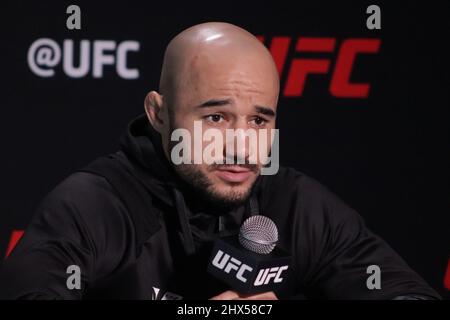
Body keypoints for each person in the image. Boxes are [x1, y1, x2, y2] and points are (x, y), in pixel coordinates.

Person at [0, 22, 440, 300]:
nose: (241, 146)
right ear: (159, 113)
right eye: (215, 117)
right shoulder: (97, 203)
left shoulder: (292, 202)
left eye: (259, 121)